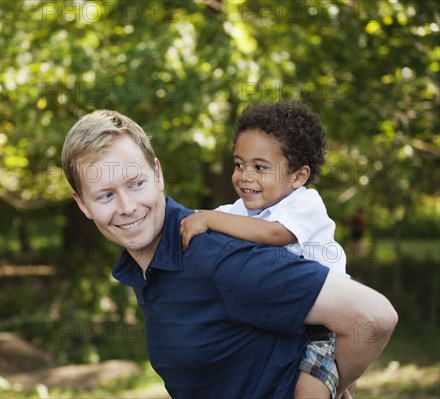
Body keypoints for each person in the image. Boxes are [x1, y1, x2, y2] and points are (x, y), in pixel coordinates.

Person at [60, 109, 397, 399]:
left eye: (136, 184)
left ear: (158, 174)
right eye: (106, 196)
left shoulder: (219, 256)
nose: (127, 207)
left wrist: (333, 381)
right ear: (82, 204)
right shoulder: (149, 264)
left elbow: (372, 317)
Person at [180, 101, 346, 398]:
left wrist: (211, 218)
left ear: (298, 176)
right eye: (239, 164)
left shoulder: (305, 204)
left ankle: (339, 378)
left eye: (260, 167)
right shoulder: (237, 211)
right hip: (278, 325)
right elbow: (198, 219)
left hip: (323, 330)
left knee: (308, 393)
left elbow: (273, 234)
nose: (245, 176)